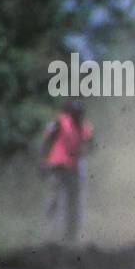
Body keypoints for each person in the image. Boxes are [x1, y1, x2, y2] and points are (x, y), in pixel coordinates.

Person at [40, 99, 94, 242]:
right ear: (71, 113)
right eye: (76, 114)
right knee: (55, 199)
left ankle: (70, 235)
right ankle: (50, 232)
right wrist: (43, 162)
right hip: (57, 166)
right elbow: (47, 141)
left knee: (73, 202)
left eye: (80, 114)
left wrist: (86, 149)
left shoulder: (85, 127)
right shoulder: (61, 123)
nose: (78, 116)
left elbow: (90, 144)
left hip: (73, 167)